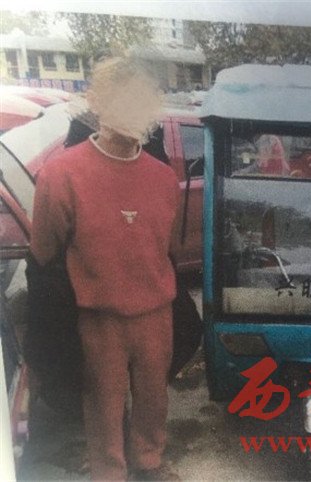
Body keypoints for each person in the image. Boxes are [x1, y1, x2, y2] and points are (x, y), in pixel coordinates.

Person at [30, 56, 181, 481]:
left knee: (153, 398)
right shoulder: (61, 174)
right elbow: (44, 251)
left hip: (156, 313)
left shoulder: (163, 178)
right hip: (98, 317)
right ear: (99, 103)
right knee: (103, 402)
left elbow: (164, 247)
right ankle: (108, 471)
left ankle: (149, 462)